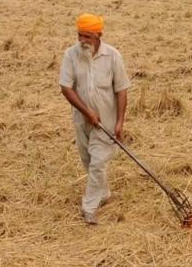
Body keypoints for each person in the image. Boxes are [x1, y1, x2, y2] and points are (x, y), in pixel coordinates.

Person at [59, 13, 131, 225]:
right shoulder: (71, 55)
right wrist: (87, 113)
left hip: (106, 123)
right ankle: (104, 193)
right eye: (80, 35)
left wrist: (119, 122)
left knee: (98, 163)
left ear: (99, 35)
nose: (82, 40)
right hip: (82, 121)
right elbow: (66, 87)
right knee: (88, 161)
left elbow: (122, 90)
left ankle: (89, 207)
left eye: (87, 37)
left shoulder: (113, 56)